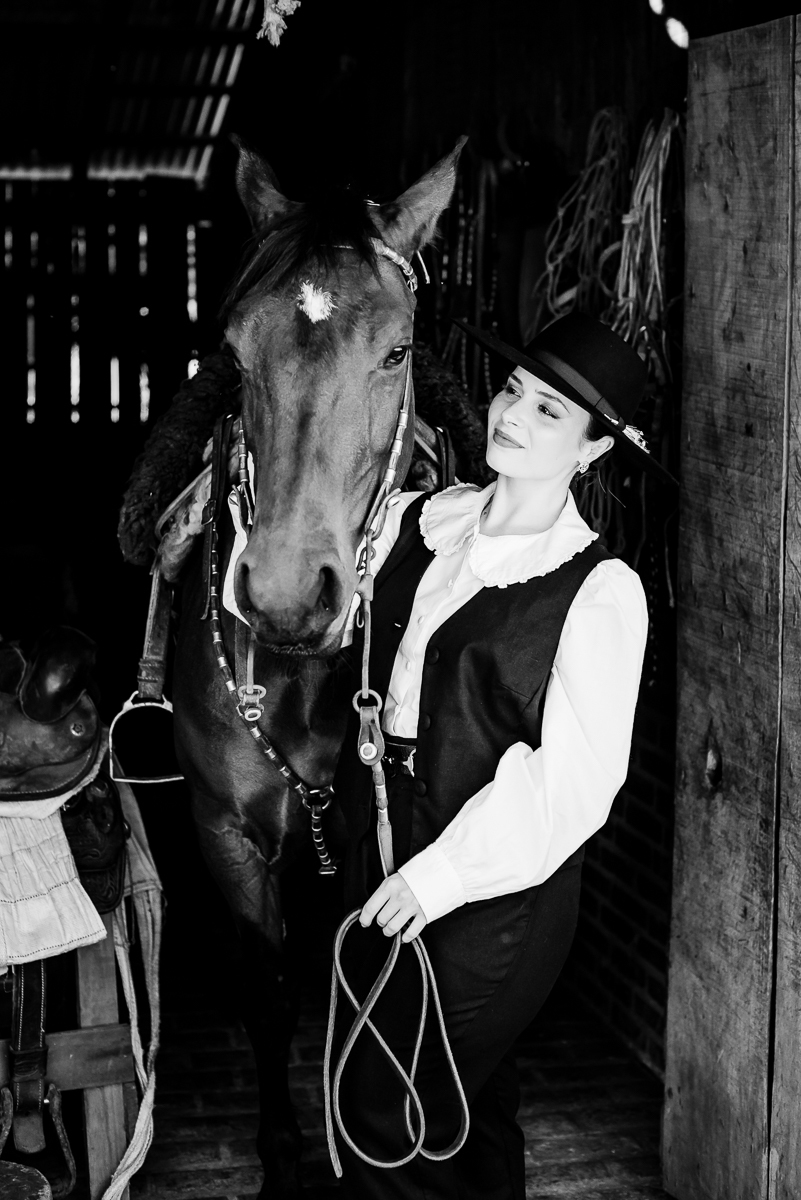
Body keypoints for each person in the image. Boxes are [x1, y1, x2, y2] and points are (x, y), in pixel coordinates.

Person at [330, 312, 676, 1200]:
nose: (512, 416)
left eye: (549, 411)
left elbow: (574, 784)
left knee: (387, 1111)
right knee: (473, 1112)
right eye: (513, 391)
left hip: (496, 897)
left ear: (593, 449)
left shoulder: (597, 590)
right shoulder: (419, 522)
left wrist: (436, 878)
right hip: (384, 844)